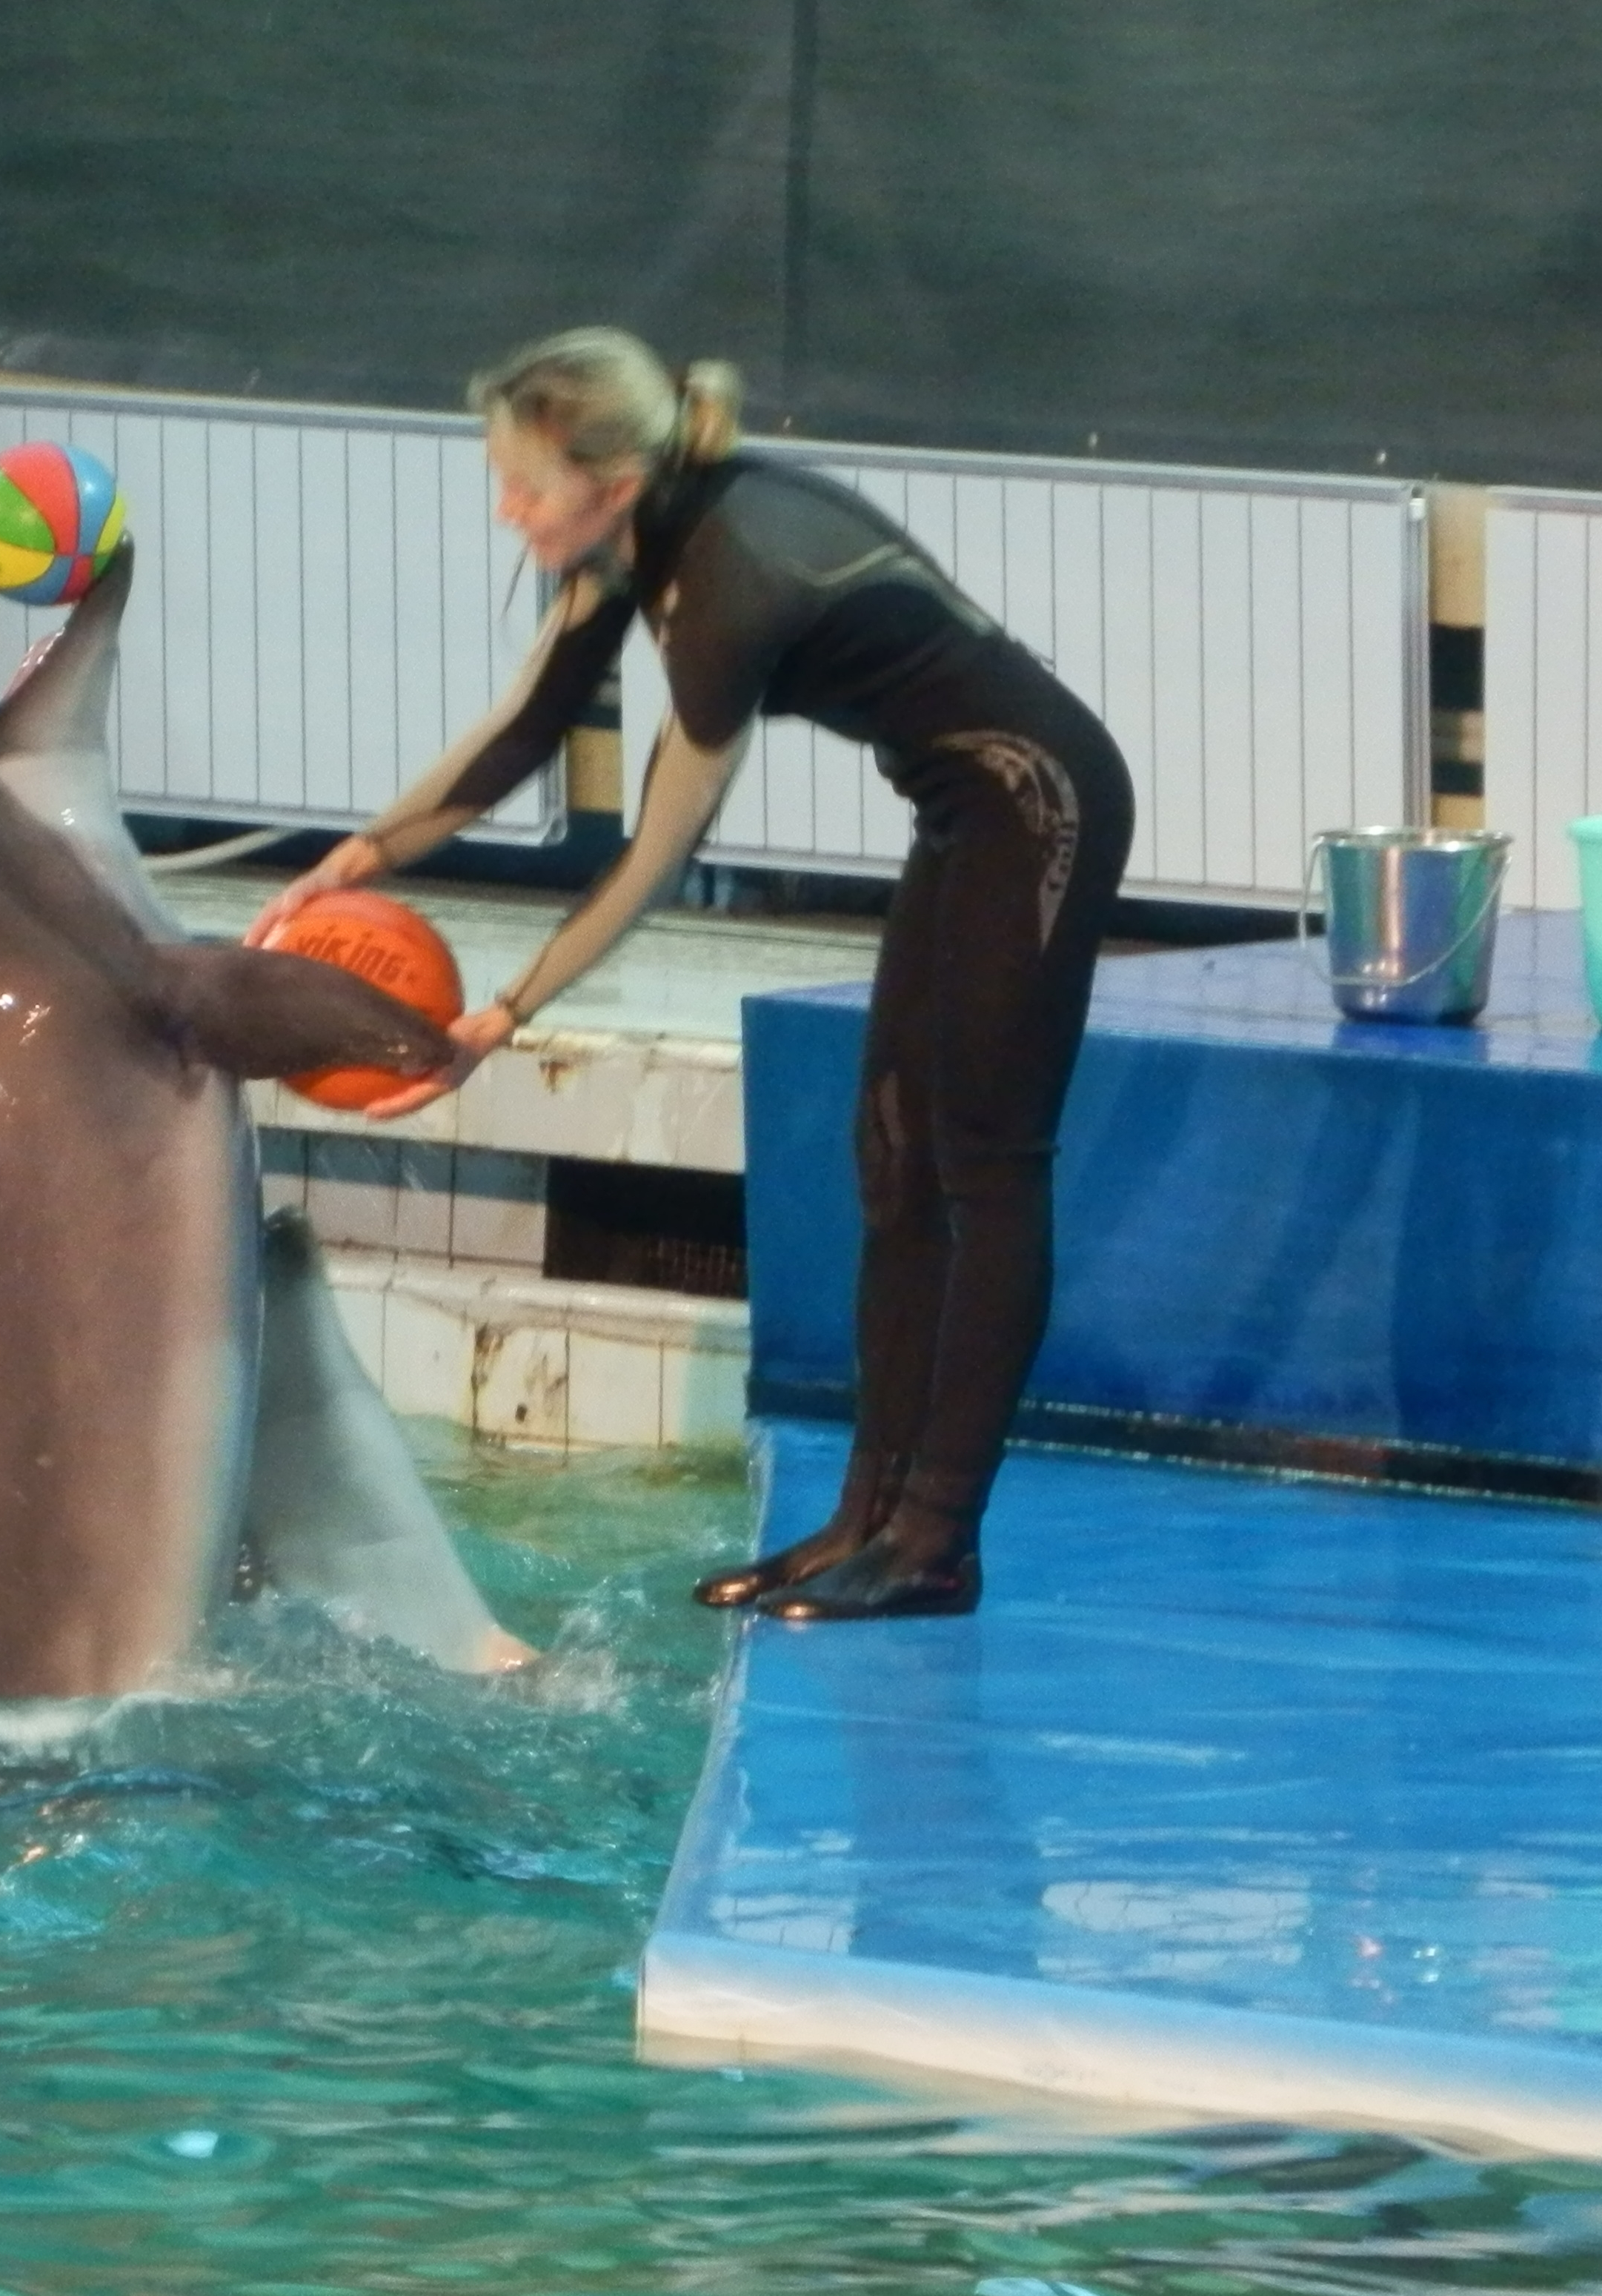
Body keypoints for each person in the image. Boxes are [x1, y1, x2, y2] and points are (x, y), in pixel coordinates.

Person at [250, 328, 1137, 1623]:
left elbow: (655, 853)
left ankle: (936, 1538)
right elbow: (520, 736)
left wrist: (506, 1011)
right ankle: (862, 1522)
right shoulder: (636, 537)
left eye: (526, 485)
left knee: (987, 1164)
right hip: (960, 812)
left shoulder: (731, 581)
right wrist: (361, 854)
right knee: (892, 1158)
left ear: (609, 479)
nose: (507, 508)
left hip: (1039, 807)